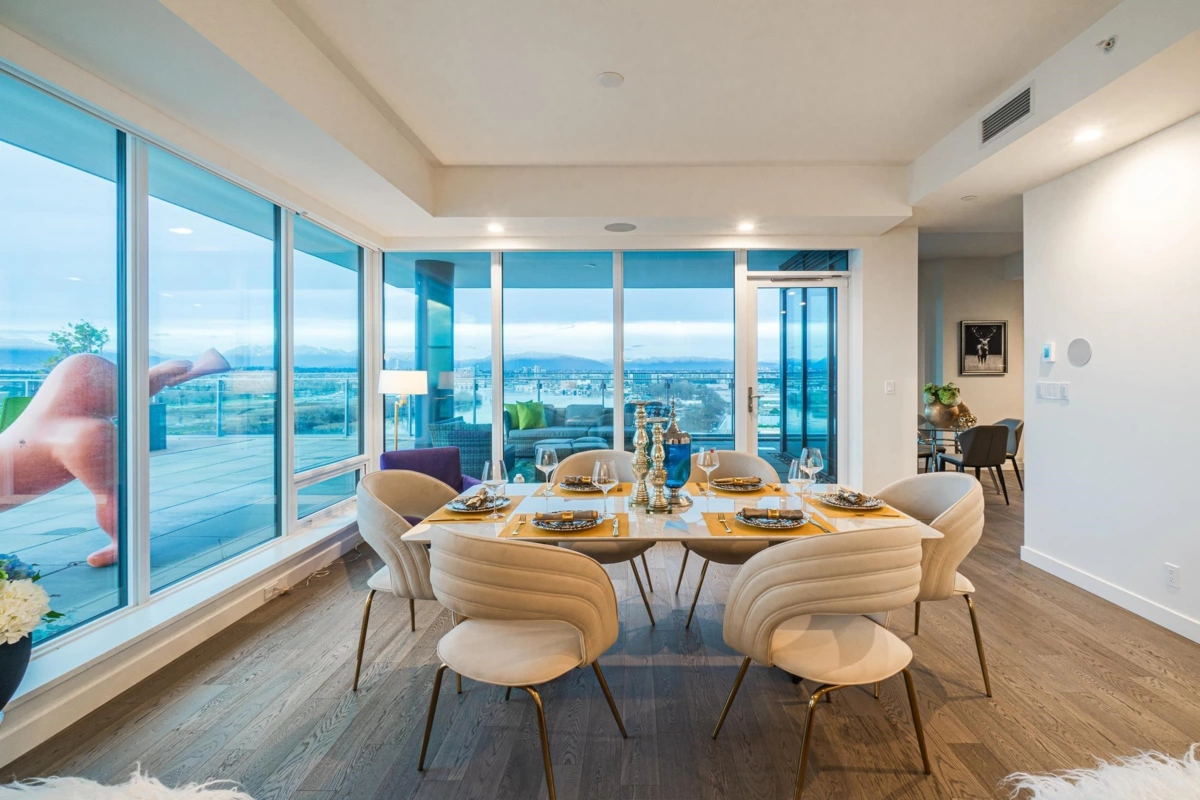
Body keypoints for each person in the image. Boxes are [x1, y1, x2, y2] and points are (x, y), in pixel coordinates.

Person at [0, 349, 230, 567]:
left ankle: (121, 544)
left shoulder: (77, 433)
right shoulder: (79, 432)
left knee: (109, 493)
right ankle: (121, 544)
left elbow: (110, 496)